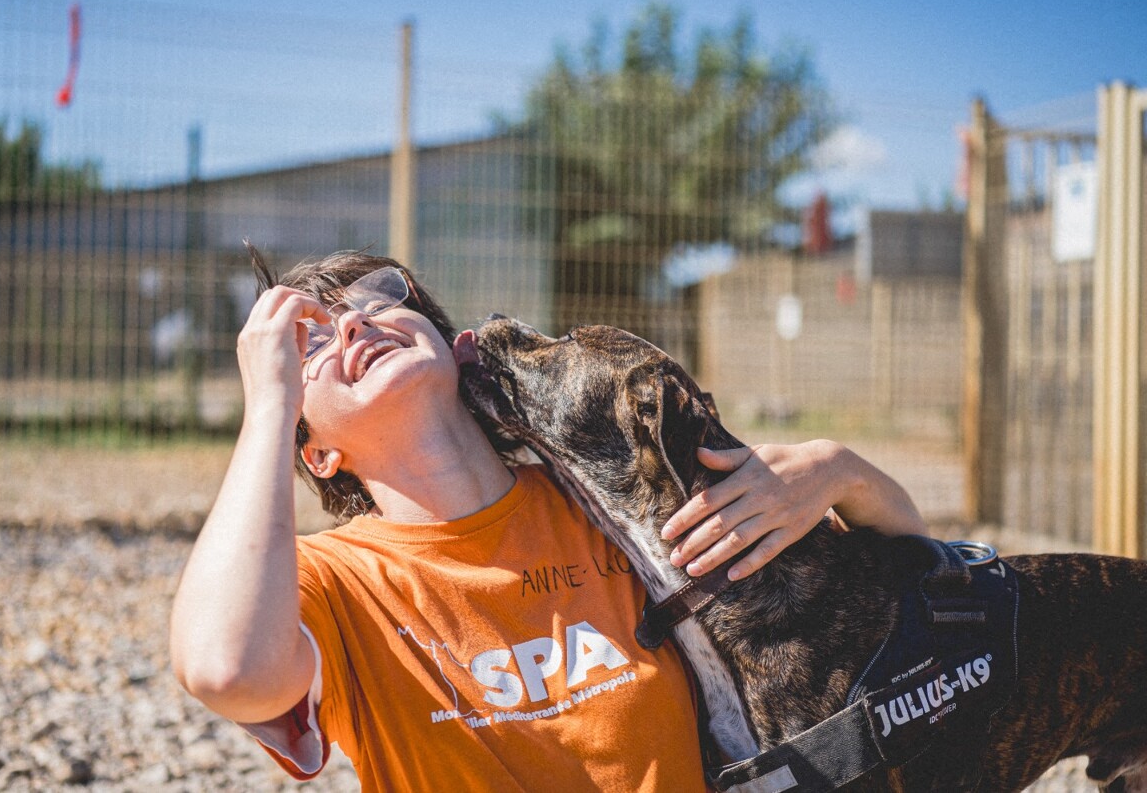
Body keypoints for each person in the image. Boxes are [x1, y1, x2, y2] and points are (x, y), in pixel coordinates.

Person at [170, 250, 927, 792]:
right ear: (318, 453)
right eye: (310, 343)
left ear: (446, 342)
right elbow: (224, 668)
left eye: (374, 302)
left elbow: (912, 608)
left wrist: (842, 471)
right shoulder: (338, 584)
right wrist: (268, 404)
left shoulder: (611, 499)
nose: (355, 327)